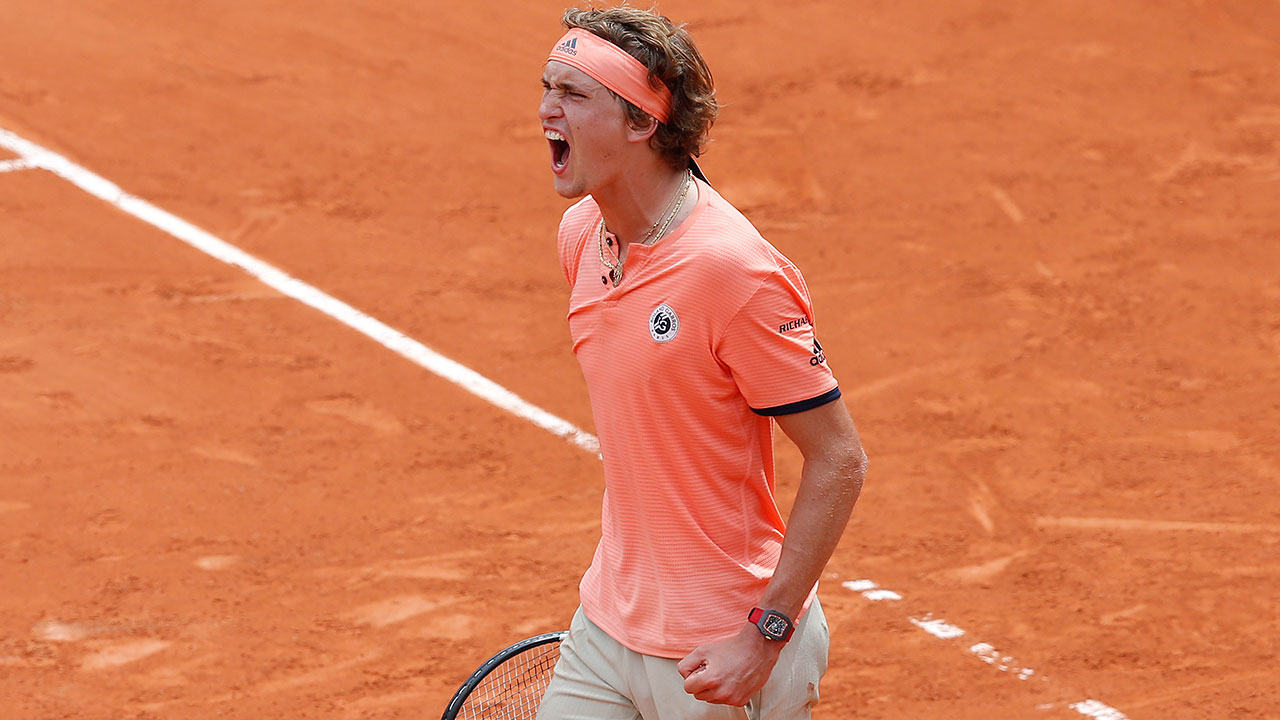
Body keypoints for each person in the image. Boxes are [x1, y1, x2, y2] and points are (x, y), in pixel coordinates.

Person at [535, 7, 867, 720]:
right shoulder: (581, 238)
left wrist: (764, 637)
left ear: (642, 123)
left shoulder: (732, 272)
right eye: (547, 86)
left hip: (719, 646)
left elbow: (839, 457)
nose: (546, 109)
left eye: (573, 93)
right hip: (606, 626)